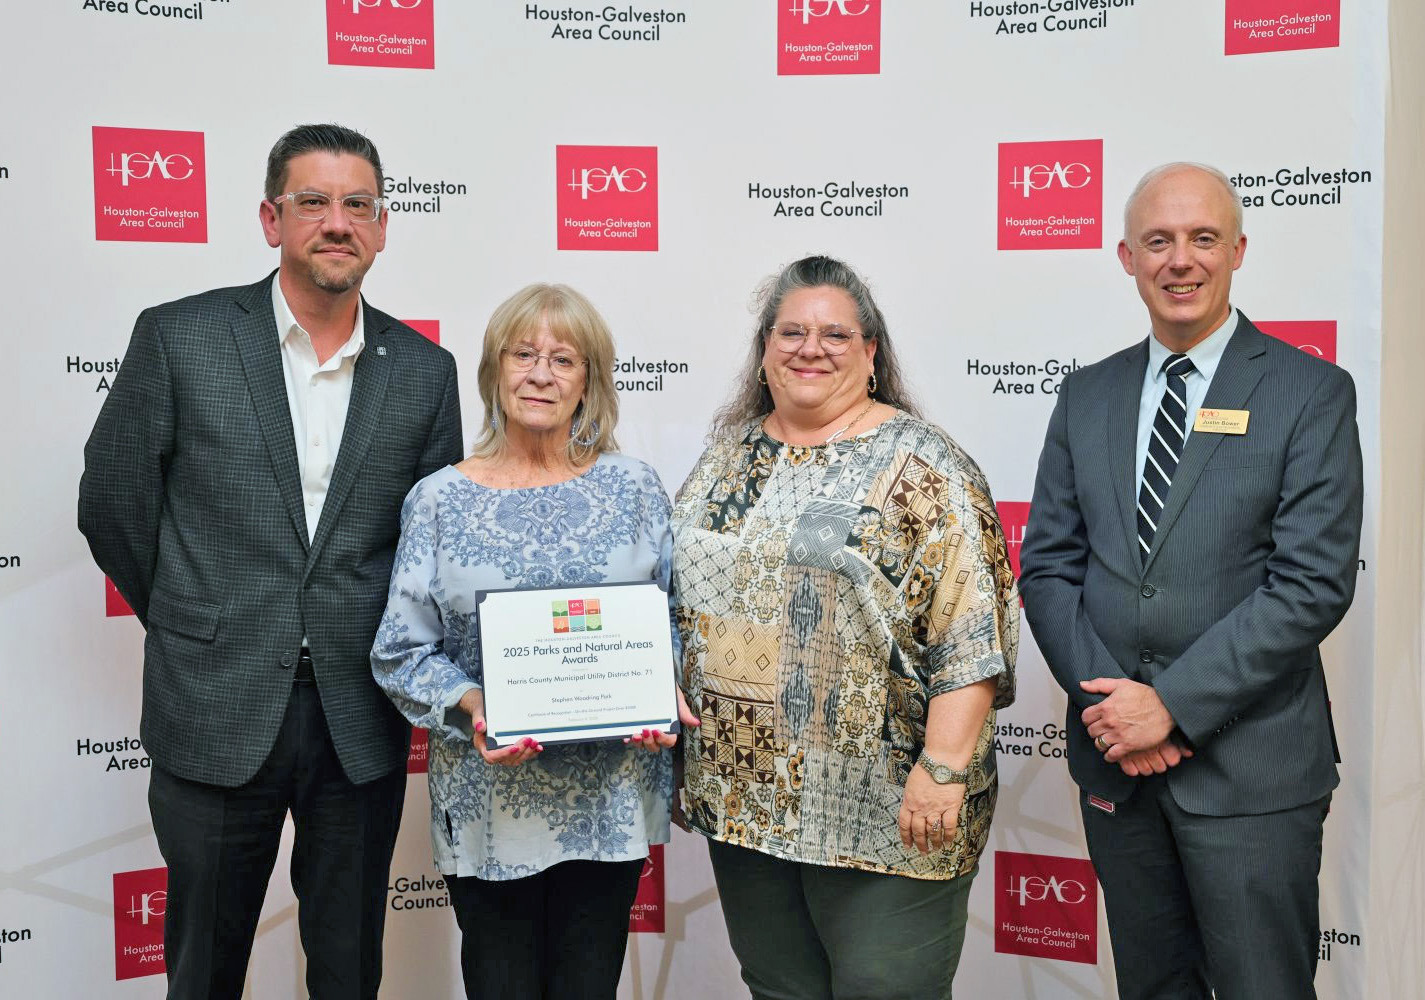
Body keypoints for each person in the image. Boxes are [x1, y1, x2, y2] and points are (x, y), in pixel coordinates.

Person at [77, 123, 462, 1000]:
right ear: (270, 219)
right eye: (313, 202)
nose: (337, 222)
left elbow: (428, 551)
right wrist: (195, 614)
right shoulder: (181, 338)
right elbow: (113, 505)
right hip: (214, 703)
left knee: (347, 970)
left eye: (357, 204)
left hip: (358, 717)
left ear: (382, 225)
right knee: (204, 971)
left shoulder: (423, 371)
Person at [1019, 163, 1363, 999]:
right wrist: (1115, 712)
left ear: (1237, 250)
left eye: (1202, 238)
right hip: (1116, 768)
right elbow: (1049, 566)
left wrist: (1169, 706)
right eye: (1158, 241)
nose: (1180, 260)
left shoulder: (1309, 392)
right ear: (1126, 257)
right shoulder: (1086, 395)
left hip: (1250, 772)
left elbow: (1311, 583)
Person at [670, 255, 1018, 1000]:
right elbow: (680, 604)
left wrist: (943, 769)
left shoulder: (924, 465)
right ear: (764, 350)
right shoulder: (726, 461)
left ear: (870, 353)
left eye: (835, 334)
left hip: (888, 804)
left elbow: (972, 631)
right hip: (743, 797)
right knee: (779, 991)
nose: (811, 348)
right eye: (791, 332)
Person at [371, 283, 696, 1000]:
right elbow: (400, 652)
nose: (541, 374)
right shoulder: (438, 499)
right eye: (523, 354)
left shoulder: (636, 489)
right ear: (494, 370)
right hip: (490, 800)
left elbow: (674, 619)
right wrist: (474, 704)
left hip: (609, 795)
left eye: (563, 359)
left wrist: (659, 687)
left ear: (589, 381)